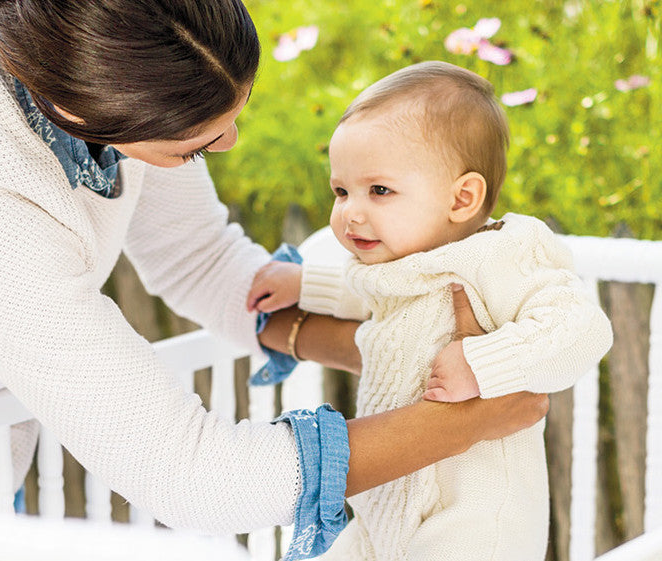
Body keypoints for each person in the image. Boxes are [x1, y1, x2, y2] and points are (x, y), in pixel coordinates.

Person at [0, 0, 547, 557]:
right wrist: (466, 421)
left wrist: (398, 345)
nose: (228, 148)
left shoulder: (91, 37)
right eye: (195, 145)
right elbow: (199, 478)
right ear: (83, 113)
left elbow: (206, 263)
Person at [247, 61, 614, 560]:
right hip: (386, 510)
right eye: (341, 190)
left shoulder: (499, 256)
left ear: (462, 197)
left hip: (473, 521)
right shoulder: (401, 262)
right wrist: (304, 283)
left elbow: (582, 329)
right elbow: (366, 293)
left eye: (379, 190)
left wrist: (483, 363)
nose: (351, 211)